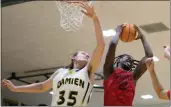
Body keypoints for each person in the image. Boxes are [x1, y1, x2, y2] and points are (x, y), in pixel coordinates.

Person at [2, 2, 105, 106]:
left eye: (87, 55)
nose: (87, 55)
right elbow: (42, 87)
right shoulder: (60, 72)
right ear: (74, 57)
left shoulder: (88, 71)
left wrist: (95, 18)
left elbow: (101, 45)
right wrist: (15, 88)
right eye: (83, 53)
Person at [103, 24, 153, 106]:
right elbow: (112, 45)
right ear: (118, 60)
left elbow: (149, 56)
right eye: (126, 57)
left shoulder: (133, 76)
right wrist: (118, 33)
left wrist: (142, 37)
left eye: (131, 60)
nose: (130, 59)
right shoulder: (109, 71)